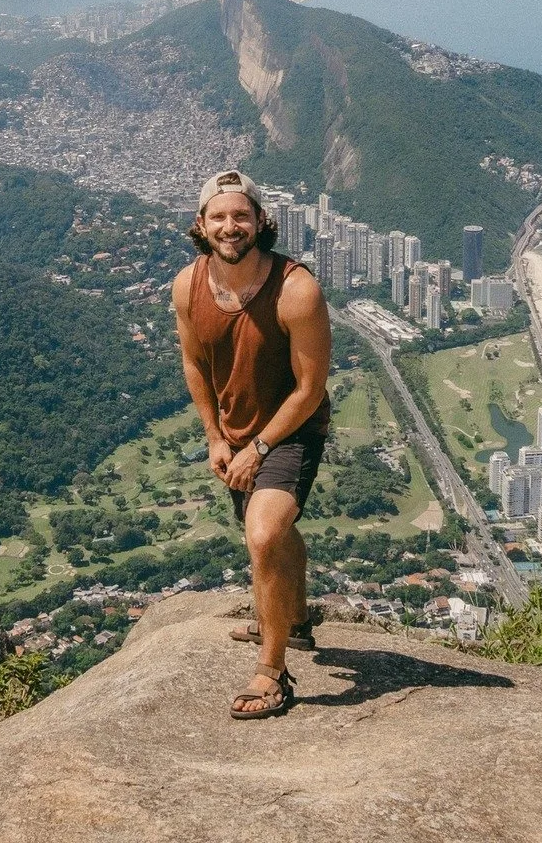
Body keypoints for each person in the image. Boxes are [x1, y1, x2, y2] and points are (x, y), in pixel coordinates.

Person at [172, 169, 332, 720]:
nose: (230, 225)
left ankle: (273, 672)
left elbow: (310, 389)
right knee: (274, 533)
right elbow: (194, 362)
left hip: (290, 429)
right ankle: (297, 619)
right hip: (236, 434)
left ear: (262, 221)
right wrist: (215, 436)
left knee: (262, 534)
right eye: (219, 216)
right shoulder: (187, 285)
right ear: (201, 224)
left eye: (241, 215)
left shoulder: (296, 289)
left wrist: (258, 450)